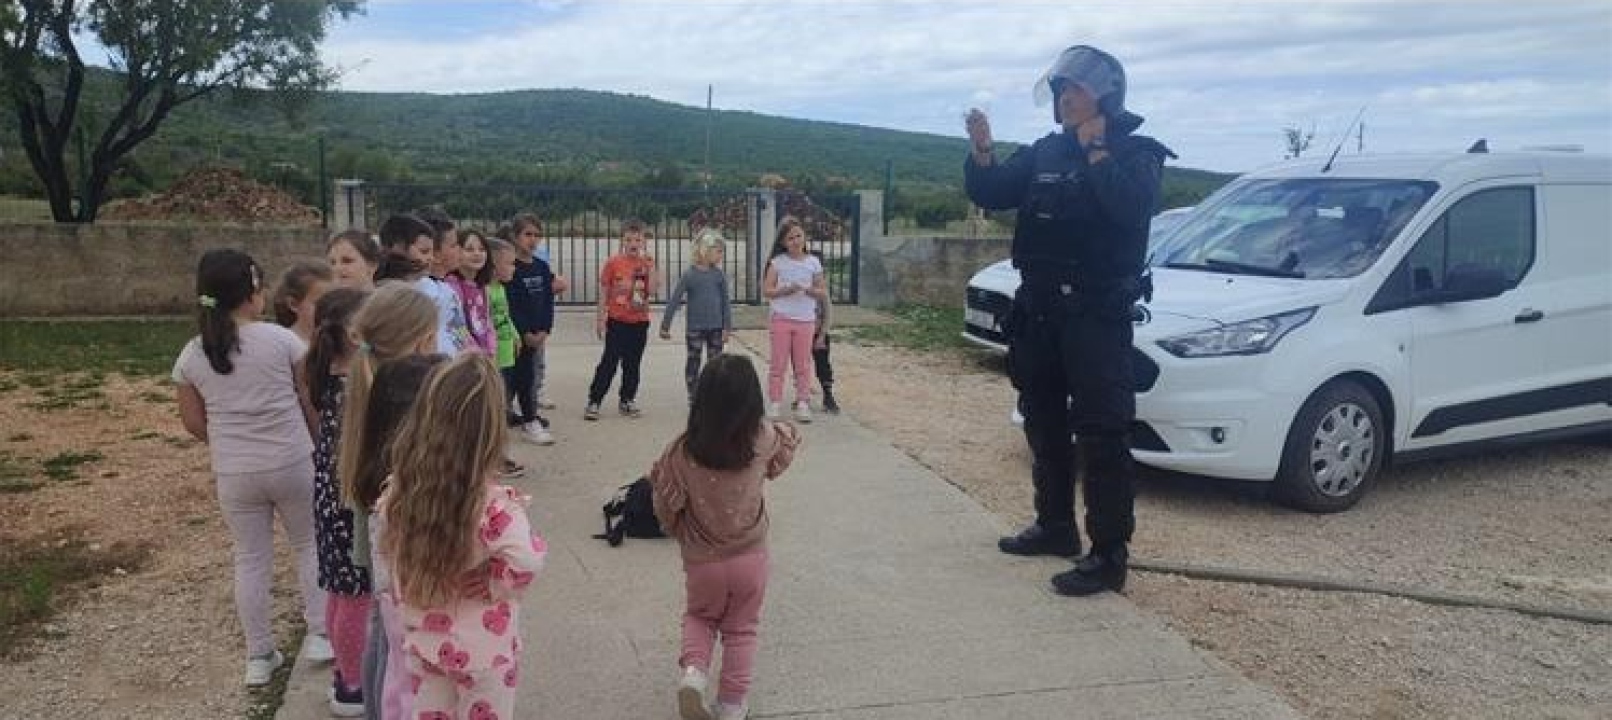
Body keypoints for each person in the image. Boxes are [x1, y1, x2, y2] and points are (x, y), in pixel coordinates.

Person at [964, 45, 1173, 596]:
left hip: (1097, 315)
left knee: (1102, 434)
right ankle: (1055, 526)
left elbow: (1131, 209)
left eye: (1074, 90)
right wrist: (982, 150)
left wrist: (1097, 150)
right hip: (1040, 311)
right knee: (1044, 421)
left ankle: (1107, 555)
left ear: (1105, 95)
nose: (1064, 99)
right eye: (1059, 91)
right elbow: (992, 191)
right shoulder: (1045, 151)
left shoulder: (1138, 152)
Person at [171, 248, 331, 686]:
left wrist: (228, 443)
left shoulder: (191, 355)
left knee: (250, 557)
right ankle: (320, 633)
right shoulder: (281, 340)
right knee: (309, 544)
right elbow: (309, 399)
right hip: (292, 459)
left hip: (235, 472)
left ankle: (259, 655)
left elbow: (192, 422)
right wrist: (319, 443)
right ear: (252, 292)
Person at [380, 353, 547, 720]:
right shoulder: (493, 507)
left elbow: (389, 549)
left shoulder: (402, 493)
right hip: (485, 652)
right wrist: (494, 582)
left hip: (425, 640)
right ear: (491, 433)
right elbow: (527, 559)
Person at [647, 354, 800, 720]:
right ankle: (731, 704)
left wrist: (676, 529)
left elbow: (665, 502)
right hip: (751, 557)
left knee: (700, 617)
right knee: (742, 630)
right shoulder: (763, 438)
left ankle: (694, 673)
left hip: (703, 560)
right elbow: (784, 452)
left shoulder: (682, 451)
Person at [331, 283, 440, 720]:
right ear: (423, 341)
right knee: (395, 643)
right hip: (401, 538)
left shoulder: (363, 383)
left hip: (373, 534)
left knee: (381, 629)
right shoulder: (411, 399)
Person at [299, 287, 372, 716]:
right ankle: (352, 684)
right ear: (354, 332)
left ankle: (344, 673)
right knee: (355, 594)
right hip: (349, 501)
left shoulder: (326, 371)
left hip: (330, 496)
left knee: (340, 591)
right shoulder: (355, 385)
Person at [585, 219, 657, 420]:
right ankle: (595, 400)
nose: (633, 243)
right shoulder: (613, 263)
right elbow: (604, 292)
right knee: (609, 362)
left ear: (644, 242)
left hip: (639, 321)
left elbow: (652, 290)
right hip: (617, 321)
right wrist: (600, 319)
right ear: (622, 241)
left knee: (633, 364)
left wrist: (652, 268)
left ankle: (627, 399)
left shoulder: (646, 264)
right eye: (629, 239)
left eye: (638, 240)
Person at [762, 216, 825, 423]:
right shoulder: (777, 263)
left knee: (803, 364)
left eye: (798, 236)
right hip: (781, 319)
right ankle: (775, 402)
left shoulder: (813, 262)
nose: (796, 241)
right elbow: (767, 291)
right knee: (778, 363)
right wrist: (785, 290)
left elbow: (821, 290)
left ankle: (803, 402)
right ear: (783, 242)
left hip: (805, 320)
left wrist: (809, 290)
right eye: (790, 238)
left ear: (804, 236)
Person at [504, 213, 559, 444]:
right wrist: (524, 332)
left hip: (537, 335)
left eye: (537, 235)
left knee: (530, 379)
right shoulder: (510, 269)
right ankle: (508, 417)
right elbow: (511, 305)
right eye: (528, 234)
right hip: (516, 337)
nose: (533, 240)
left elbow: (547, 301)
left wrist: (545, 329)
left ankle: (530, 418)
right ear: (515, 236)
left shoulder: (542, 267)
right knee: (509, 380)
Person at [660, 228, 733, 402]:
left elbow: (725, 302)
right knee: (693, 360)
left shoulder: (719, 275)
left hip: (716, 327)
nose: (721, 255)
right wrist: (665, 325)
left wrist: (727, 327)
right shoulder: (689, 275)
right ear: (704, 250)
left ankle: (713, 393)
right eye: (718, 251)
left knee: (715, 363)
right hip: (695, 328)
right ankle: (693, 393)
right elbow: (675, 300)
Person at [484, 236, 528, 478]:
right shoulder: (485, 291)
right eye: (510, 264)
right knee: (494, 410)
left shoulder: (500, 289)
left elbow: (504, 317)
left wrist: (514, 334)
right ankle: (493, 457)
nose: (514, 268)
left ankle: (500, 454)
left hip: (506, 356)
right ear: (493, 265)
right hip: (493, 359)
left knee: (503, 407)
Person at [415, 207, 474, 355]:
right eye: (454, 245)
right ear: (434, 254)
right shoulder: (424, 290)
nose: (460, 249)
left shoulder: (444, 287)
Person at [270, 259, 334, 348]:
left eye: (334, 301)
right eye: (322, 303)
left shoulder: (335, 343)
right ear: (293, 304)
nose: (331, 308)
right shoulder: (282, 345)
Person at [455, 228, 496, 355]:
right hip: (466, 355)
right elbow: (458, 326)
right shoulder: (452, 285)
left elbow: (487, 322)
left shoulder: (482, 286)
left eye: (482, 249)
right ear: (457, 252)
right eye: (469, 249)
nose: (477, 253)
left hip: (485, 354)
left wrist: (491, 349)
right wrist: (476, 353)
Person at [374, 213, 434, 285]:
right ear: (397, 247)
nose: (431, 258)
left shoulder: (421, 283)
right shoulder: (387, 287)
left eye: (432, 252)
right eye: (424, 251)